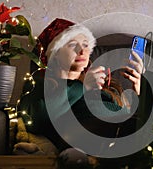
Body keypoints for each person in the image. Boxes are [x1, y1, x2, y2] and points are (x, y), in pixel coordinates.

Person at [18, 18, 146, 153]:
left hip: (126, 133)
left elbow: (129, 116)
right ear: (54, 54)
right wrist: (83, 86)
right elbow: (36, 120)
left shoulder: (103, 86)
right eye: (73, 45)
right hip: (90, 141)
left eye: (85, 45)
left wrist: (138, 93)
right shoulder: (39, 83)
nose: (82, 50)